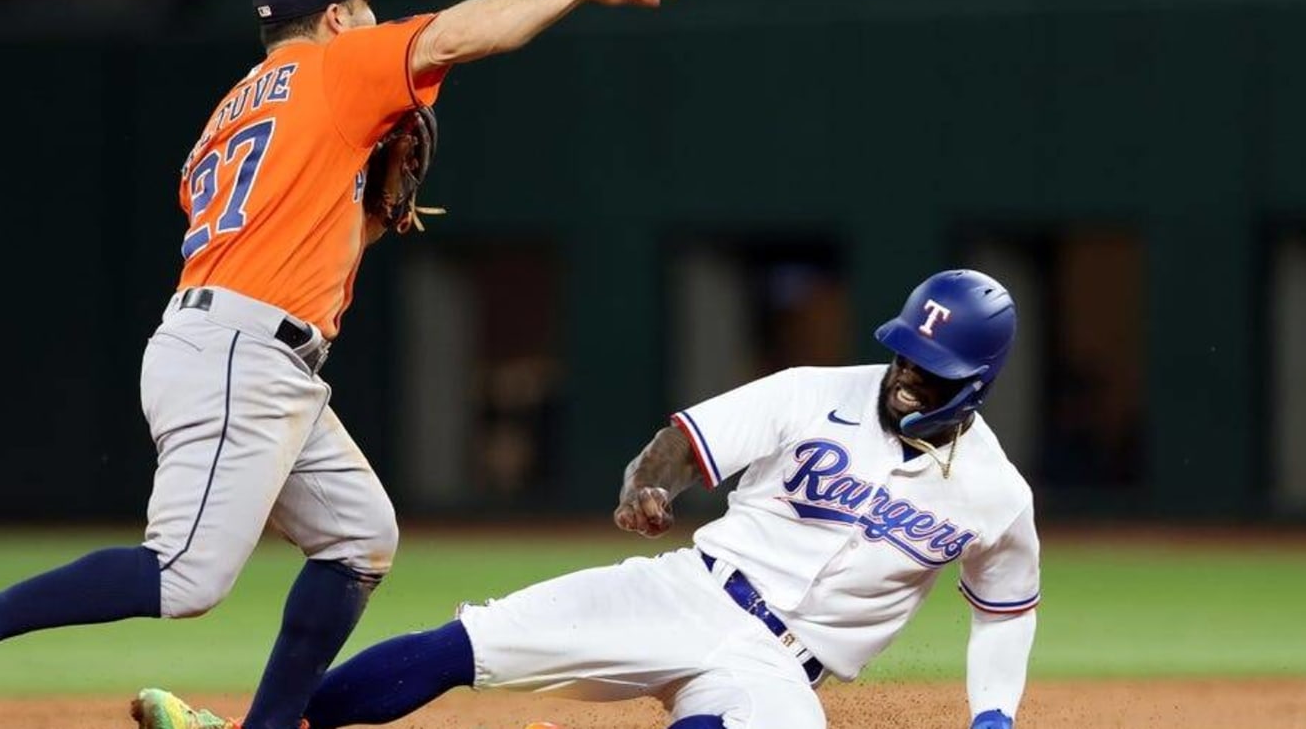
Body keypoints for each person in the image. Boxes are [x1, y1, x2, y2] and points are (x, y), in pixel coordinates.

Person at [0, 0, 677, 729]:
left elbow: (276, 233)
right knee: (183, 579)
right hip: (240, 354)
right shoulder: (336, 67)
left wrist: (365, 215)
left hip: (243, 347)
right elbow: (458, 32)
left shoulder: (229, 114)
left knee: (358, 538)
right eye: (365, 0)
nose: (376, 13)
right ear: (336, 15)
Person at [218, 268, 1037, 729]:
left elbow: (1005, 610)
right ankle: (272, 727)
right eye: (903, 355)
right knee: (465, 645)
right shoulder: (812, 391)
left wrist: (994, 714)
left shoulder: (995, 494)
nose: (904, 378)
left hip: (782, 672)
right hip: (685, 591)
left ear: (979, 385)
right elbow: (683, 441)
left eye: (930, 371)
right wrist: (649, 481)